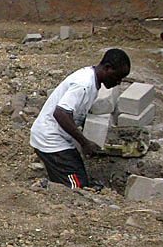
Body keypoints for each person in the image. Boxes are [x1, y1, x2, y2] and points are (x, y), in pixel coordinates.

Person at [29, 48, 131, 189]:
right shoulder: (83, 84)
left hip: (58, 138)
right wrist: (84, 143)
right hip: (50, 140)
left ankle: (55, 179)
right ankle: (45, 189)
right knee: (76, 186)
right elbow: (61, 113)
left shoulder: (93, 82)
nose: (119, 82)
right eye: (117, 77)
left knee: (77, 176)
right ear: (107, 68)